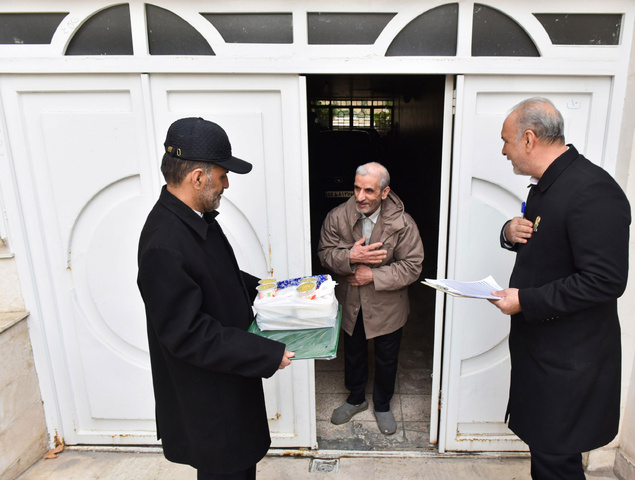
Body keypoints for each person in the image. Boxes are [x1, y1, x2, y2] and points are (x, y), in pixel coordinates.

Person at [137, 117, 295, 480]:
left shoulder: (194, 219)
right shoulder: (164, 242)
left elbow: (216, 278)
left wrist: (272, 290)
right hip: (209, 404)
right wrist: (265, 352)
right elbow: (188, 333)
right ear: (197, 177)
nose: (226, 184)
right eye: (223, 175)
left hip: (228, 383)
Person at [489, 98, 631, 480]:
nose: (503, 150)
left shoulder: (593, 191)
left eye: (506, 141)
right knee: (550, 458)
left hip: (570, 362)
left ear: (529, 139)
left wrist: (525, 299)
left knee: (556, 463)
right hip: (545, 353)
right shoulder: (546, 186)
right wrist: (509, 233)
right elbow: (552, 247)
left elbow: (605, 280)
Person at [318, 162, 424, 435]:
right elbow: (325, 253)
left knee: (387, 356)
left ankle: (383, 404)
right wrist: (350, 258)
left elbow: (413, 266)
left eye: (369, 190)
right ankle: (355, 399)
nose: (360, 197)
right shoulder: (338, 216)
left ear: (385, 192)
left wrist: (373, 276)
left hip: (388, 304)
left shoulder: (403, 224)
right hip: (352, 301)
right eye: (356, 188)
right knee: (353, 353)